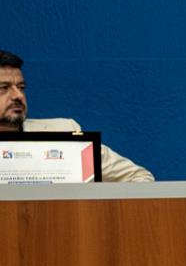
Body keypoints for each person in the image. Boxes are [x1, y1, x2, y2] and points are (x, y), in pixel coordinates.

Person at [0, 50, 155, 182]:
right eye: (4, 88)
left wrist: (100, 207)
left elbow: (139, 177)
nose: (18, 95)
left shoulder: (64, 132)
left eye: (21, 87)